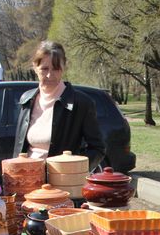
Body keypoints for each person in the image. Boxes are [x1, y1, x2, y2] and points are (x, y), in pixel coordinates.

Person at [12, 40, 105, 171]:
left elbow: (98, 149)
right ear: (35, 67)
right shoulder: (26, 100)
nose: (50, 75)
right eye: (44, 69)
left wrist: (72, 170)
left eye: (56, 69)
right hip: (28, 182)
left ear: (64, 67)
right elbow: (19, 150)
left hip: (63, 184)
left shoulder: (81, 103)